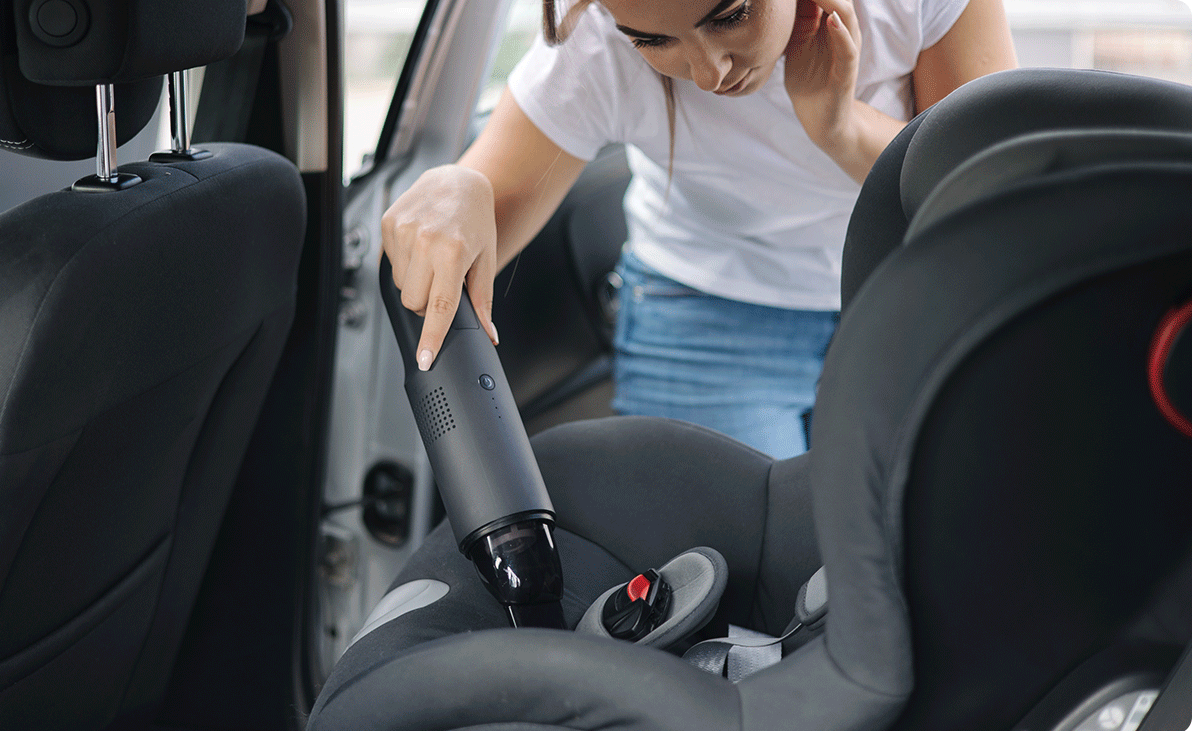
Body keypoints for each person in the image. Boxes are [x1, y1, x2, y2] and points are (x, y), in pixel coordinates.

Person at [380, 0, 1016, 458]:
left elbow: (986, 205)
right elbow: (479, 209)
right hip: (704, 317)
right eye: (655, 42)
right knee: (738, 591)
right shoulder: (595, 47)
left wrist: (840, 128)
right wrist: (457, 188)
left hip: (906, 303)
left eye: (731, 15)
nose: (712, 72)